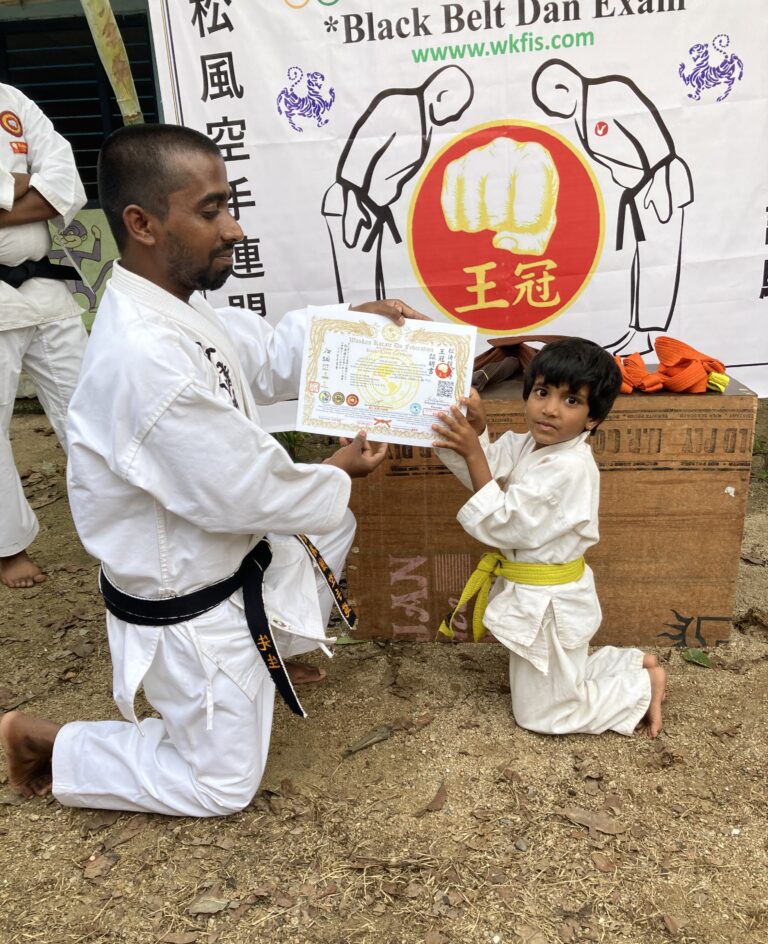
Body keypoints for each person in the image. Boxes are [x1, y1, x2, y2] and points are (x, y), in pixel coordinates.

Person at [0, 122, 427, 815]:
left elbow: (263, 353)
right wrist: (338, 470)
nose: (233, 228)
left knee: (326, 525)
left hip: (230, 553)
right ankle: (49, 742)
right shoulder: (144, 357)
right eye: (211, 211)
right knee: (221, 785)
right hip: (189, 597)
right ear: (142, 223)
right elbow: (243, 489)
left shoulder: (173, 305)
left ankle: (263, 659)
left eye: (229, 205)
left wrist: (352, 325)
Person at [432, 338, 667, 738]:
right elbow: (489, 468)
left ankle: (640, 687)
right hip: (540, 597)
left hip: (551, 605)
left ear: (592, 418)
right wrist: (478, 432)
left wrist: (473, 452)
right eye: (542, 392)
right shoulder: (532, 444)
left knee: (541, 715)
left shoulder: (569, 467)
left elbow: (503, 519)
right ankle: (631, 663)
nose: (551, 408)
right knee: (559, 673)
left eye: (571, 400)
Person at [532, 60, 693, 356]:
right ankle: (638, 331)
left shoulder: (611, 92)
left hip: (660, 182)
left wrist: (659, 180)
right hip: (641, 189)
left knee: (659, 261)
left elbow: (652, 136)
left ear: (564, 87)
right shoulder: (582, 112)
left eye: (552, 105)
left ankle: (653, 336)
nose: (554, 113)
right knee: (641, 261)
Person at [0, 82, 88, 587]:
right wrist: (23, 183)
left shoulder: (11, 100)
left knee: (88, 409)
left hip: (43, 285)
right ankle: (9, 547)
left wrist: (23, 189)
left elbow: (64, 185)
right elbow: (43, 188)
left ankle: (120, 521)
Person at [322, 65, 474, 303]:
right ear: (441, 95)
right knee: (357, 295)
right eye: (456, 109)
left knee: (373, 293)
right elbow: (358, 155)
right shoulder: (397, 105)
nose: (455, 116)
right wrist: (352, 204)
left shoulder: (424, 119)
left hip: (370, 210)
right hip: (350, 205)